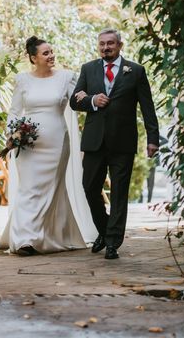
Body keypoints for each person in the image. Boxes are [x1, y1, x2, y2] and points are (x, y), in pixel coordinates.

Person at [0, 36, 97, 255]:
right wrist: (12, 133)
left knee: (51, 190)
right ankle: (25, 239)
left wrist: (90, 98)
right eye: (45, 53)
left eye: (51, 51)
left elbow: (78, 102)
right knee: (29, 189)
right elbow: (15, 112)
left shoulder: (66, 77)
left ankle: (47, 235)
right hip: (28, 144)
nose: (51, 55)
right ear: (34, 58)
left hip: (56, 142)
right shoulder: (23, 80)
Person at [70, 28, 159, 259]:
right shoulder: (88, 69)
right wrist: (92, 100)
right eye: (102, 44)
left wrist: (153, 139)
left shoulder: (136, 71)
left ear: (119, 45)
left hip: (123, 141)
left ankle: (112, 243)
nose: (106, 47)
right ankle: (105, 230)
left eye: (110, 43)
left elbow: (147, 107)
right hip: (94, 141)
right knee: (90, 188)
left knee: (119, 193)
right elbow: (74, 101)